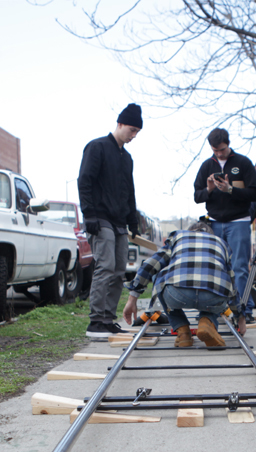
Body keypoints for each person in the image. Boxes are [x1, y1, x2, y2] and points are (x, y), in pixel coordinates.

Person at [78, 103, 142, 339]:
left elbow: (130, 191)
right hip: (100, 218)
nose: (133, 135)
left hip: (119, 221)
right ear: (120, 124)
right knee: (104, 266)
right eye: (132, 130)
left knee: (118, 270)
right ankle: (95, 321)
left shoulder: (127, 158)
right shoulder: (97, 147)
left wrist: (132, 221)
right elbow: (84, 181)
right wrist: (89, 215)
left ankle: (107, 318)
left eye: (137, 132)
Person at [123, 222, 238, 348]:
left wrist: (133, 297)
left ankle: (183, 332)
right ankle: (207, 321)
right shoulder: (221, 243)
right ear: (210, 235)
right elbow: (232, 282)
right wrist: (240, 316)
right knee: (221, 284)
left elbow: (150, 264)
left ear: (189, 232)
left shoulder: (178, 237)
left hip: (176, 294)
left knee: (159, 272)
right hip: (213, 297)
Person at [193, 128, 256, 323]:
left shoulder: (243, 163)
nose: (219, 154)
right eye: (215, 150)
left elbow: (254, 193)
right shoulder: (207, 166)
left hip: (238, 221)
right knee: (214, 267)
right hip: (214, 222)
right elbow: (197, 196)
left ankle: (244, 310)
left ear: (228, 144)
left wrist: (231, 190)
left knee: (239, 267)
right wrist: (210, 190)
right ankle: (214, 309)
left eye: (222, 150)